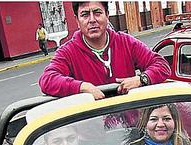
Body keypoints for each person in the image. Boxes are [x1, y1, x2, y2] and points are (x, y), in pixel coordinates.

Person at [38, 1, 171, 99]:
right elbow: (47, 80)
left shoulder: (126, 42)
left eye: (97, 13)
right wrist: (82, 87)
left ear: (107, 15)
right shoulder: (67, 52)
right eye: (85, 15)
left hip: (131, 125)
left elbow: (162, 65)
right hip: (92, 128)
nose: (92, 20)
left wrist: (142, 79)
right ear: (77, 21)